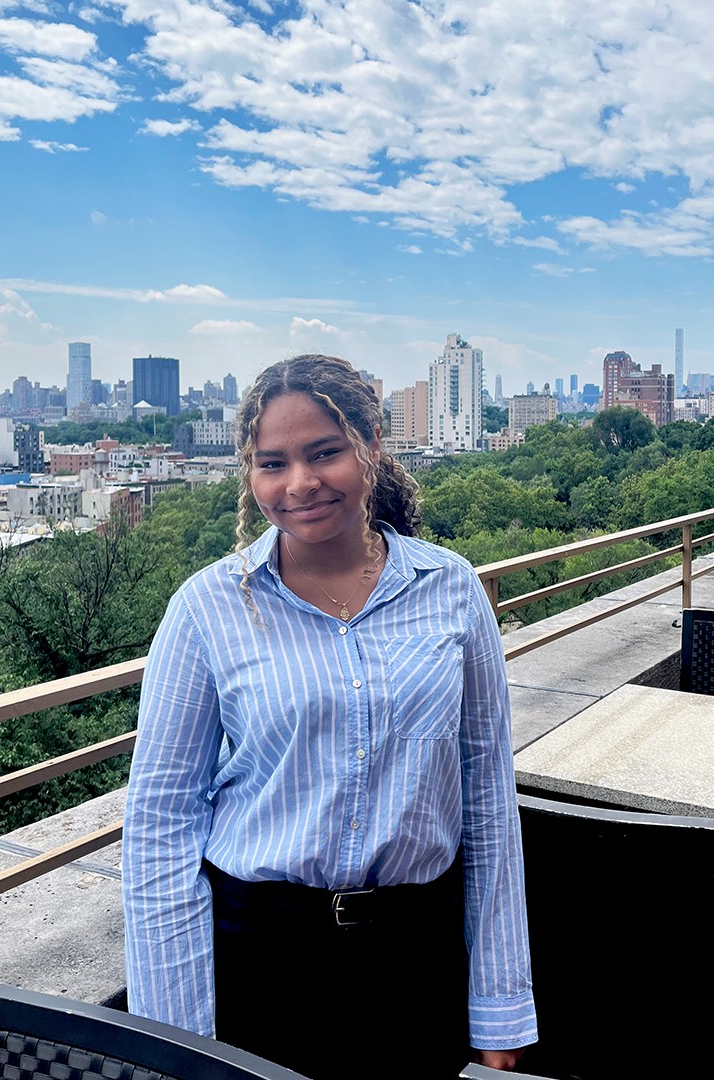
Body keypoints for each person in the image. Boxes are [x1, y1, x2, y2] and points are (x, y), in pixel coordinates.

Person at [123, 354, 536, 1078]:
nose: (300, 484)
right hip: (259, 960)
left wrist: (500, 1002)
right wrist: (176, 1043)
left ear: (372, 444)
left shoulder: (452, 588)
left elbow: (488, 801)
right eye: (272, 462)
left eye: (324, 452)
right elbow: (160, 826)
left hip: (416, 957)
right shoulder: (207, 606)